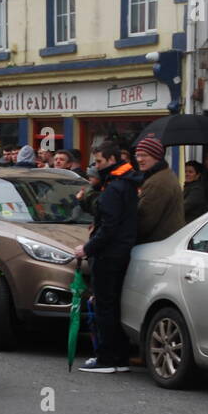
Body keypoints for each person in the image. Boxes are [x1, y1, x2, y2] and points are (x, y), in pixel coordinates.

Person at [73, 141, 139, 374]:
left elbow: (109, 227)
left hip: (109, 255)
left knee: (104, 307)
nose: (96, 166)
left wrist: (88, 248)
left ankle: (107, 358)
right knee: (113, 306)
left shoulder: (114, 187)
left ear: (112, 160)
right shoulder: (128, 183)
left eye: (100, 161)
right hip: (122, 251)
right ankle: (119, 357)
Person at [134, 136, 186, 243]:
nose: (139, 159)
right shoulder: (163, 175)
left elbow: (145, 221)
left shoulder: (157, 182)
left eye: (144, 155)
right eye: (137, 155)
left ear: (156, 157)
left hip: (158, 244)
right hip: (167, 241)